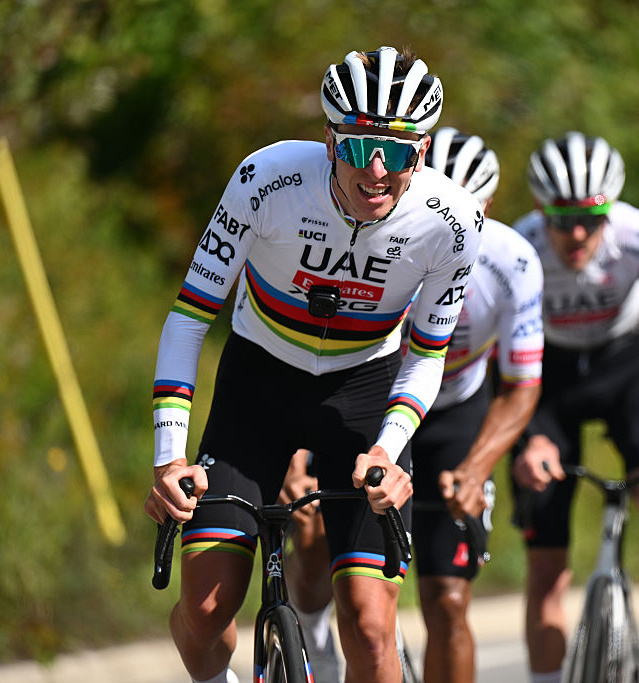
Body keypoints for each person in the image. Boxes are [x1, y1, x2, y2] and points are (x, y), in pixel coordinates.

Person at [143, 46, 484, 683]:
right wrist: (168, 457)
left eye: (398, 153)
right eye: (358, 147)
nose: (376, 171)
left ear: (423, 152)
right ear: (330, 141)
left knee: (373, 631)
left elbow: (427, 354)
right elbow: (189, 317)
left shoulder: (454, 223)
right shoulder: (266, 179)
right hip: (257, 388)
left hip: (363, 396)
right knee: (206, 611)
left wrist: (388, 451)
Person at [280, 128, 546, 683]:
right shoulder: (367, 240)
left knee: (447, 600)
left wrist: (477, 469)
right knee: (312, 537)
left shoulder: (514, 262)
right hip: (366, 401)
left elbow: (522, 384)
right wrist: (297, 456)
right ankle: (316, 637)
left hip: (454, 414)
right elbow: (313, 356)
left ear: (488, 209)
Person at [509, 131, 639, 683]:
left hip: (629, 367)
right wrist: (528, 439)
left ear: (610, 210)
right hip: (548, 379)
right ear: (540, 210)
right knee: (546, 568)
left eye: (591, 218)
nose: (576, 233)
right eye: (562, 219)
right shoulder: (518, 249)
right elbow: (501, 360)